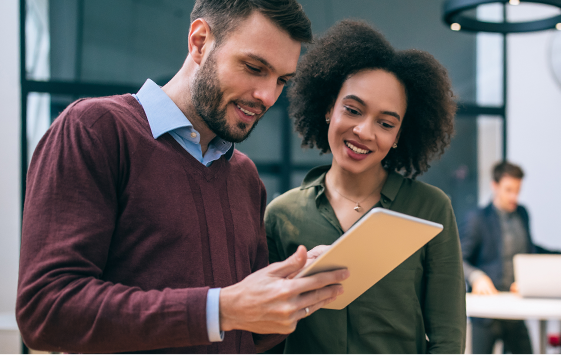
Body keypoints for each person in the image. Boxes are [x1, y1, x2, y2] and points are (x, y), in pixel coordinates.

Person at [16, 1, 349, 354]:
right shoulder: (96, 130)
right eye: (254, 67)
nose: (267, 96)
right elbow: (46, 310)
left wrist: (291, 293)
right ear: (200, 41)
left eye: (282, 80)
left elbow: (245, 335)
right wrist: (220, 309)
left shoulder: (245, 177)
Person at [264, 20, 466, 355]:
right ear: (330, 108)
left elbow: (448, 337)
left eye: (385, 123)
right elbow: (267, 336)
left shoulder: (431, 208)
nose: (364, 131)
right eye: (353, 110)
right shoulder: (282, 215)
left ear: (400, 135)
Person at [460, 161, 536, 355]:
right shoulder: (477, 218)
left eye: (518, 190)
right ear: (494, 186)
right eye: (508, 190)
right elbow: (459, 259)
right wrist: (477, 276)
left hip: (516, 308)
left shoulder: (523, 214)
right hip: (487, 312)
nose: (514, 197)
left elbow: (530, 251)